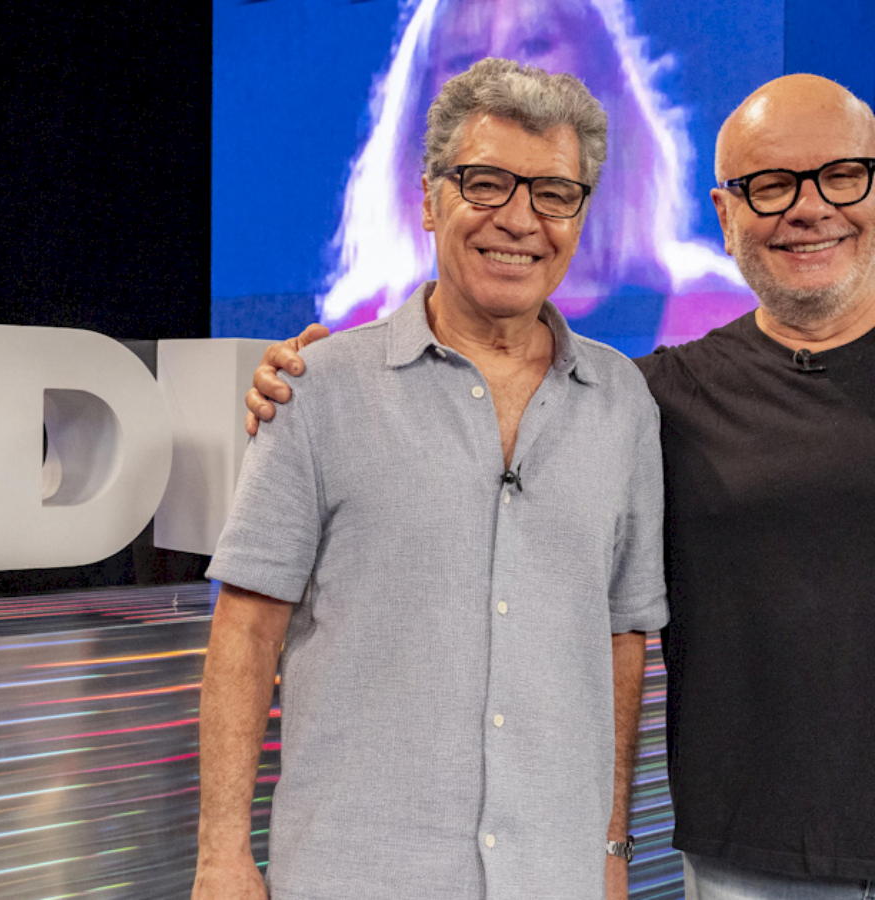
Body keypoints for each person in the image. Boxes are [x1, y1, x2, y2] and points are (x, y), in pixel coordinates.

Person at [250, 73, 875, 897]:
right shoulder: (651, 398)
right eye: (770, 185)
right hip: (754, 863)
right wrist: (308, 377)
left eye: (842, 175)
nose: (809, 207)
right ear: (726, 217)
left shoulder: (629, 398)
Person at [194, 58, 668, 900]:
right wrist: (222, 856)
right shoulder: (318, 389)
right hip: (357, 876)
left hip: (553, 876)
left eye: (553, 193)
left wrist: (610, 847)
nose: (518, 219)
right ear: (428, 199)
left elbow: (621, 639)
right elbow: (246, 631)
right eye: (485, 183)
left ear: (580, 215)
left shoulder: (624, 402)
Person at [317, 0, 752, 353]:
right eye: (464, 56)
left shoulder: (720, 312)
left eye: (536, 43)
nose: (499, 72)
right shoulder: (357, 329)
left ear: (601, 74)